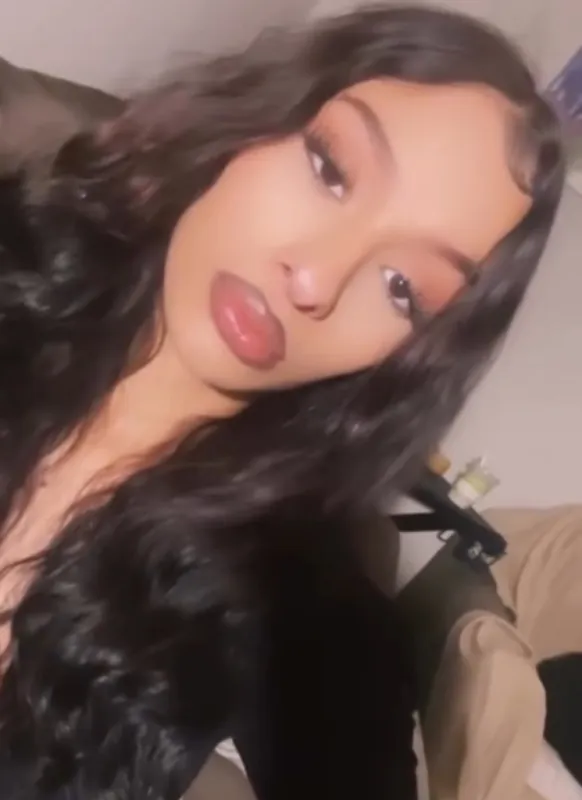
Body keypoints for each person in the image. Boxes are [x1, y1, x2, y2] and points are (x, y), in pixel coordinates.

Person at [0, 4, 564, 799]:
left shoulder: (294, 606)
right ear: (254, 122)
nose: (316, 278)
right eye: (332, 169)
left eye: (402, 288)